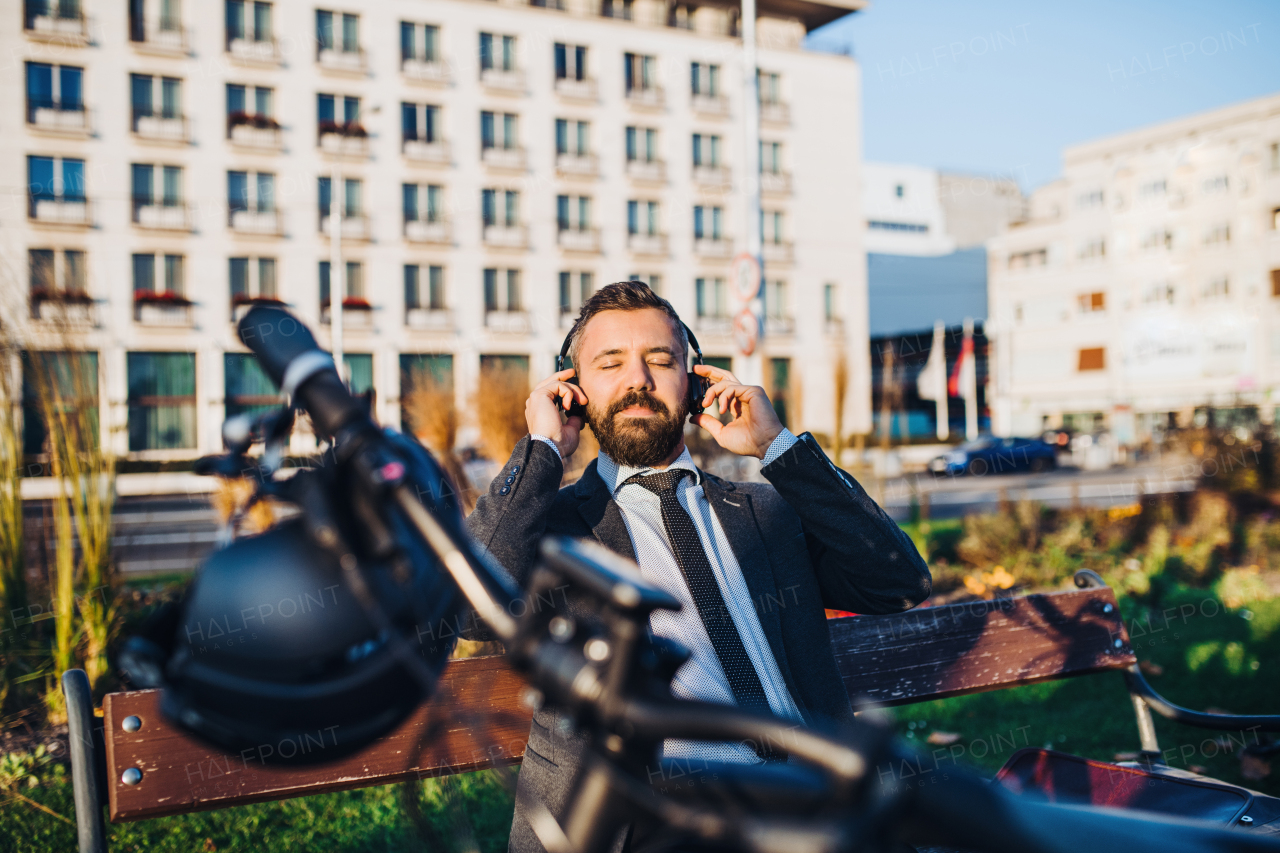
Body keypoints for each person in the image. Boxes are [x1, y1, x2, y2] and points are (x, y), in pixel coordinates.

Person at [465, 281, 931, 853]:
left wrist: (776, 446)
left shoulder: (766, 510)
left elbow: (899, 583)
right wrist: (541, 450)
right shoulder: (552, 526)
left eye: (660, 360)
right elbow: (469, 608)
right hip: (654, 824)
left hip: (815, 809)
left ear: (695, 383)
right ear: (574, 390)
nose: (637, 379)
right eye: (609, 364)